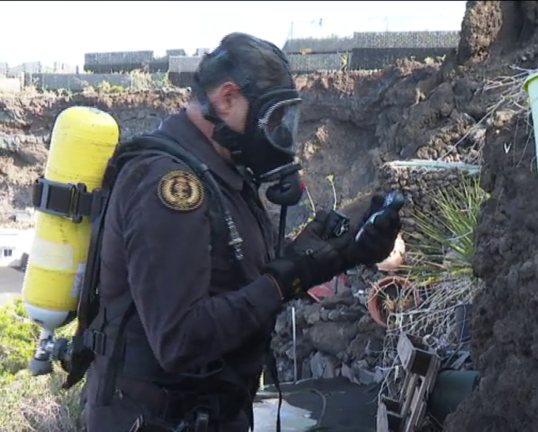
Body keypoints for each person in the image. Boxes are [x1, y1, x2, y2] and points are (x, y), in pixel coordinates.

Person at [77, 32, 402, 432]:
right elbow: (180, 340)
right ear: (227, 98)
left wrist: (341, 252)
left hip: (205, 414)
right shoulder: (171, 186)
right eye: (273, 118)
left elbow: (232, 274)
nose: (278, 134)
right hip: (155, 419)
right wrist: (283, 280)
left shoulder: (219, 170)